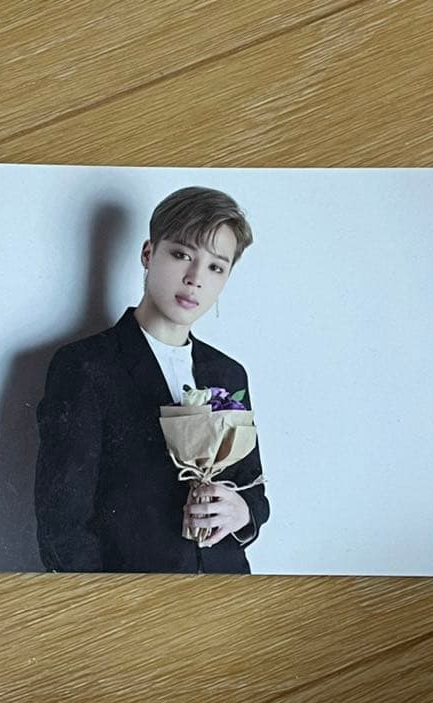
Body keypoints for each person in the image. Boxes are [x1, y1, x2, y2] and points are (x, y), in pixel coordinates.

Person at [35, 186, 269, 573]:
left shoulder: (228, 373)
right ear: (148, 253)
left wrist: (242, 511)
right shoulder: (85, 365)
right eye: (182, 255)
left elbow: (254, 490)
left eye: (216, 267)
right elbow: (62, 526)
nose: (195, 278)